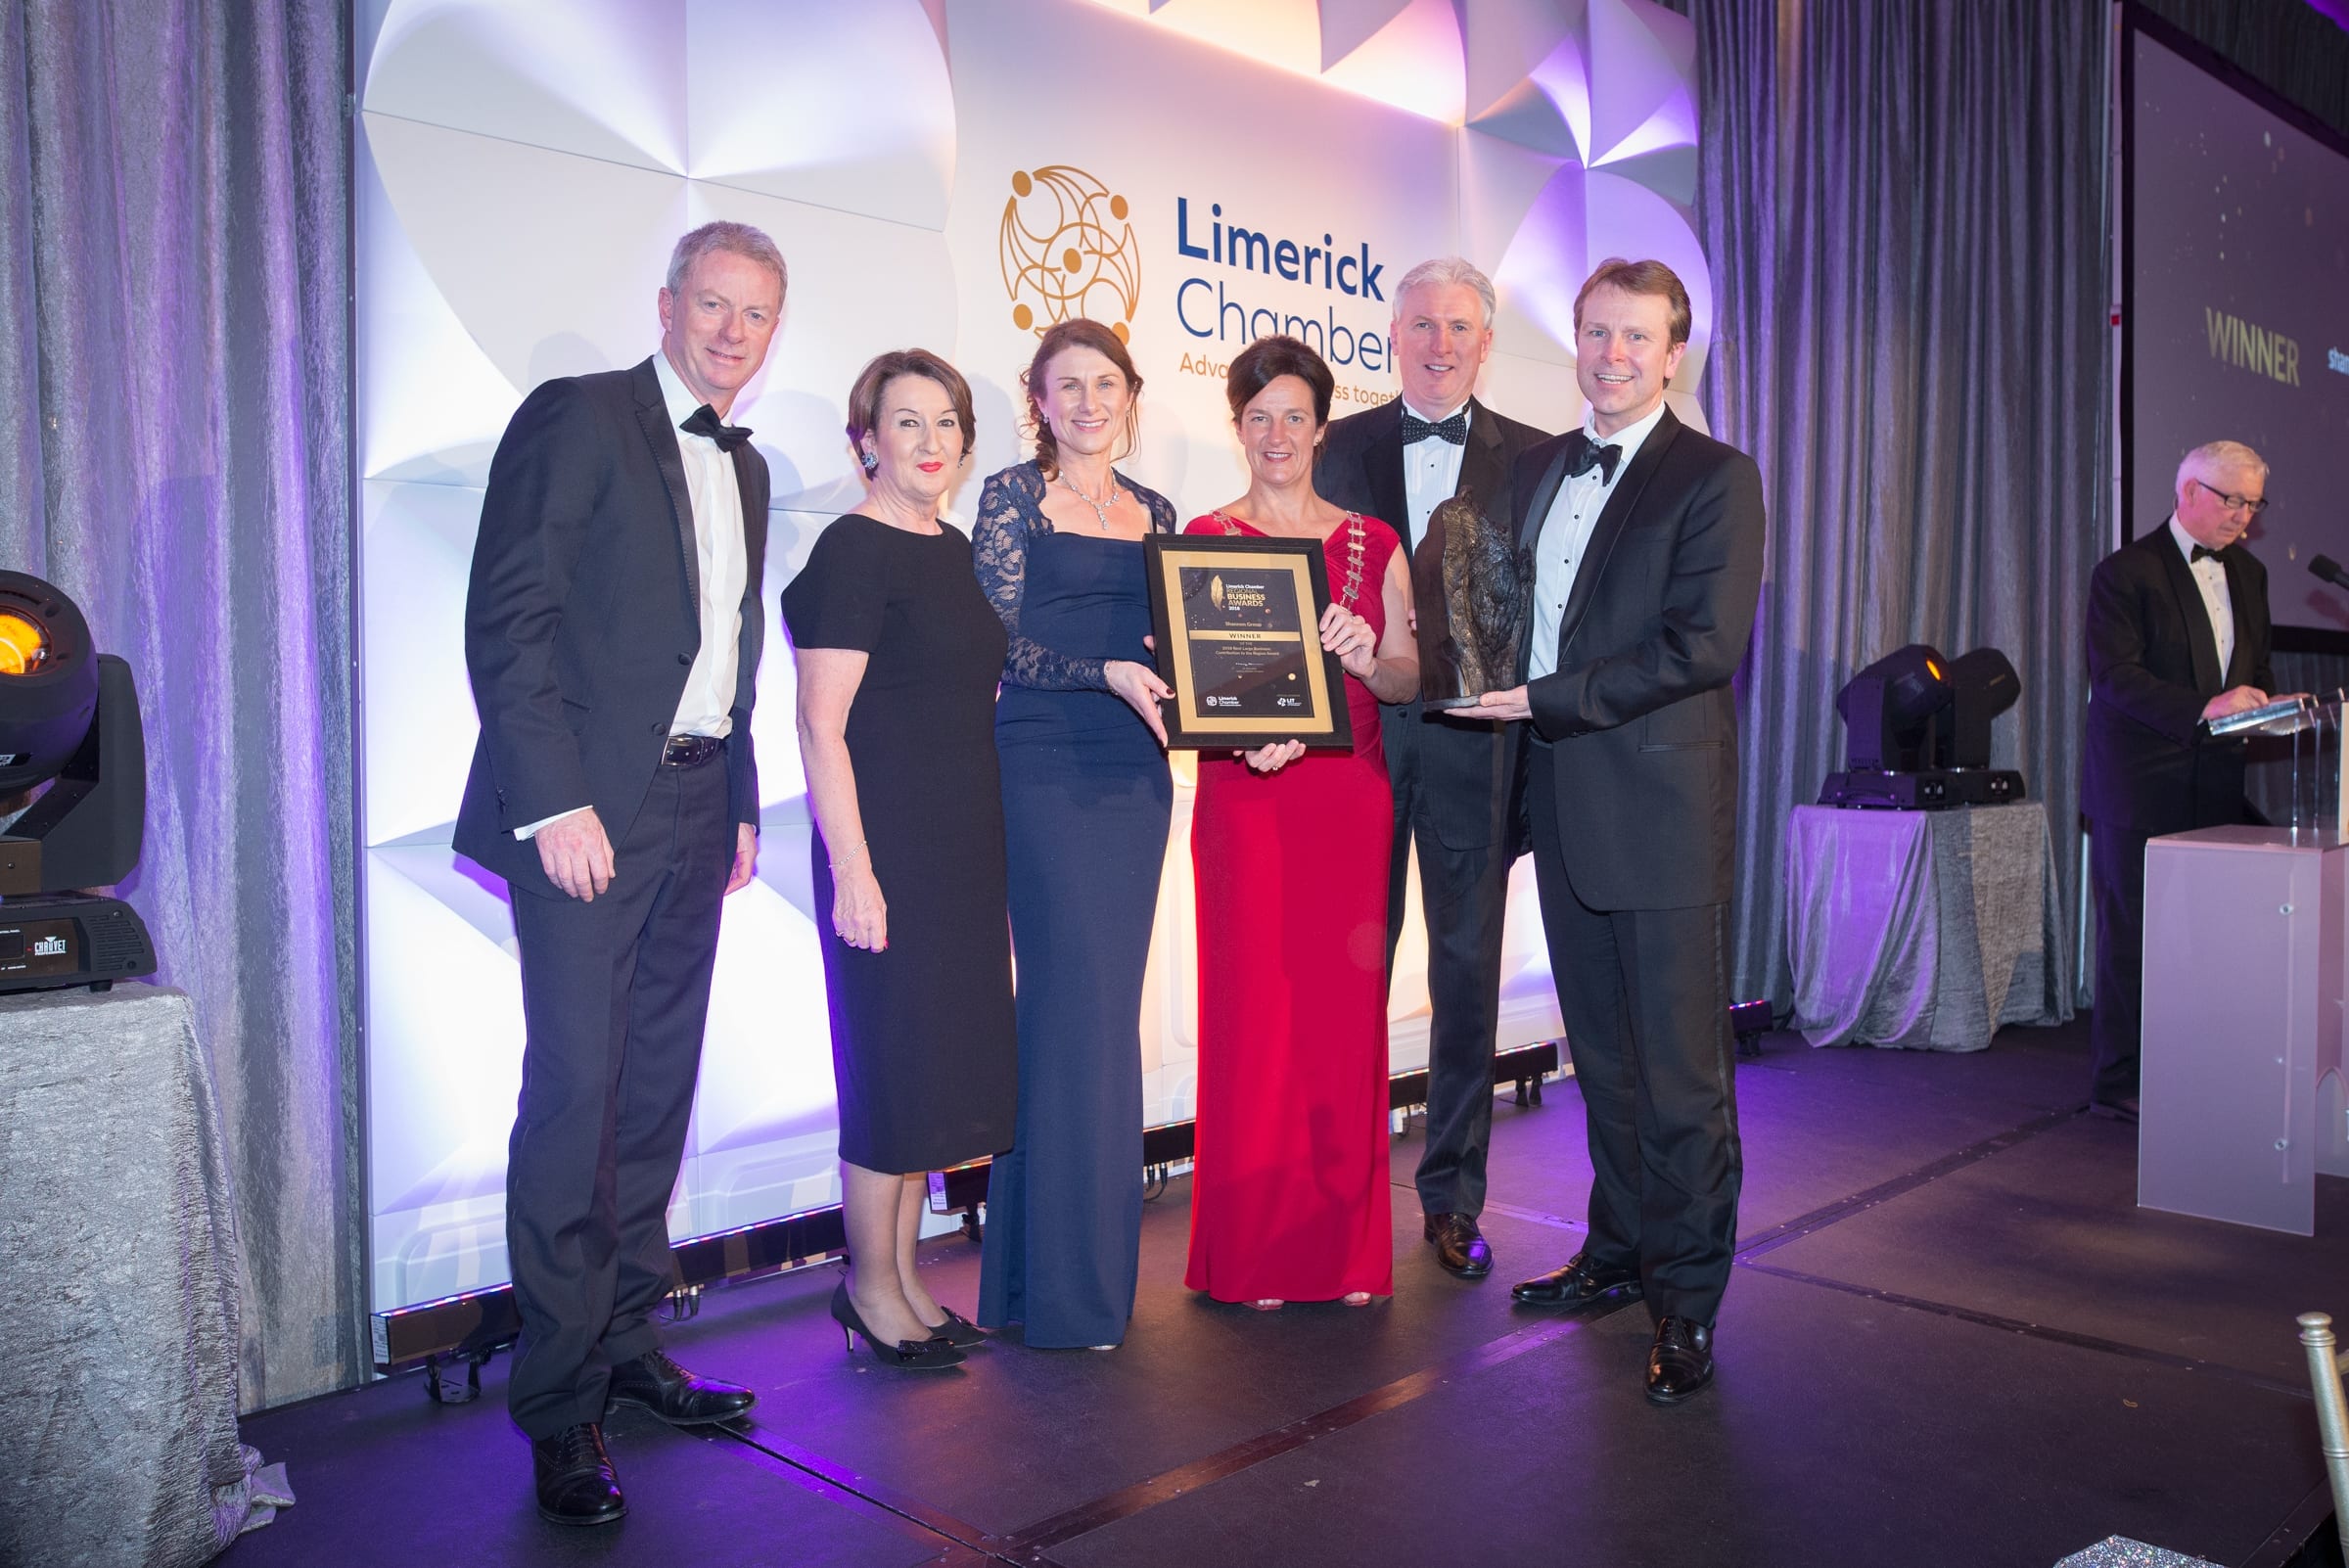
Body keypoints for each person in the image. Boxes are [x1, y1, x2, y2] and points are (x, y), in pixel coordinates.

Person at [455, 221, 780, 1526]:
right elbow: (508, 617)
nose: (731, 330)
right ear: (666, 303)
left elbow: (728, 648)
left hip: (700, 810)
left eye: (755, 313)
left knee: (653, 1096)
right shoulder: (577, 418)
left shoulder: (747, 471)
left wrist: (742, 798)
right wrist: (553, 803)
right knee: (576, 1102)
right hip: (589, 814)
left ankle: (628, 1347)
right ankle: (557, 1404)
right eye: (713, 303)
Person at [1474, 258, 1765, 1407]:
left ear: (1673, 352)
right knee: (1602, 1062)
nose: (1610, 356)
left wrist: (1542, 699)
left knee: (1683, 1075)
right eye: (1595, 334)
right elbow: (1496, 615)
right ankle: (1616, 1252)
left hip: (1659, 811)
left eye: (1635, 339)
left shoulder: (1717, 477)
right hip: (1560, 804)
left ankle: (1686, 1301)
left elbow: (1704, 647)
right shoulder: (1538, 466)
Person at [782, 348, 1017, 1374]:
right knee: (887, 1073)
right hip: (890, 854)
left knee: (927, 1077)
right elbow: (819, 727)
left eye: (947, 424)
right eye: (907, 423)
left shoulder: (958, 549)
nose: (931, 444)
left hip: (964, 849)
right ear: (865, 438)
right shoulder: (851, 551)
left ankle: (907, 1277)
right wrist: (856, 871)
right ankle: (868, 1286)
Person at [1315, 256, 1549, 1281]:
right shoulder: (1337, 449)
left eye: (1459, 327)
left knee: (1464, 981)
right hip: (1359, 741)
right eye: (1421, 325)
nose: (1440, 344)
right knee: (1348, 973)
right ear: (1393, 334)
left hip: (1475, 746)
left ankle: (1452, 1200)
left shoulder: (1538, 460)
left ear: (1486, 341)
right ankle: (1339, 1192)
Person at [1185, 335, 1419, 1310]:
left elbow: (1411, 677)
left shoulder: (1373, 542)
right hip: (1245, 804)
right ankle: (1257, 1254)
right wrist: (1242, 735)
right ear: (1235, 426)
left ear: (1322, 427)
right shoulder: (1205, 538)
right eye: (1257, 417)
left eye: (1294, 416)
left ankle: (1343, 1251)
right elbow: (1200, 691)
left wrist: (1369, 658)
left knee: (1337, 1022)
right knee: (1254, 1022)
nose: (1276, 435)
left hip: (1346, 803)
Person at [972, 319, 1179, 1350]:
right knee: (1071, 1009)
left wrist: (1242, 705)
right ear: (1039, 401)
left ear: (1130, 396)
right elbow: (993, 634)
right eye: (1068, 386)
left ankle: (1028, 1282)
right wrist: (1099, 672)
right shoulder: (1013, 497)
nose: (1089, 402)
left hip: (1137, 773)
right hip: (1043, 759)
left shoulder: (1160, 513)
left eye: (1106, 384)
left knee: (1091, 1012)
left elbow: (1182, 650)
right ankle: (1067, 1292)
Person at [2082, 440, 2278, 1123]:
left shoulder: (2249, 575)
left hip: (2215, 783)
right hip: (2139, 786)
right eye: (2234, 501)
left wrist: (2270, 709)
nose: (2244, 518)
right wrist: (2204, 708)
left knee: (2208, 938)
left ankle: (2193, 1062)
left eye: (2253, 504)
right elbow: (2116, 679)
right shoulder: (2126, 572)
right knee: (2135, 938)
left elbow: (2256, 670)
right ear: (2189, 491)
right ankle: (2120, 1081)